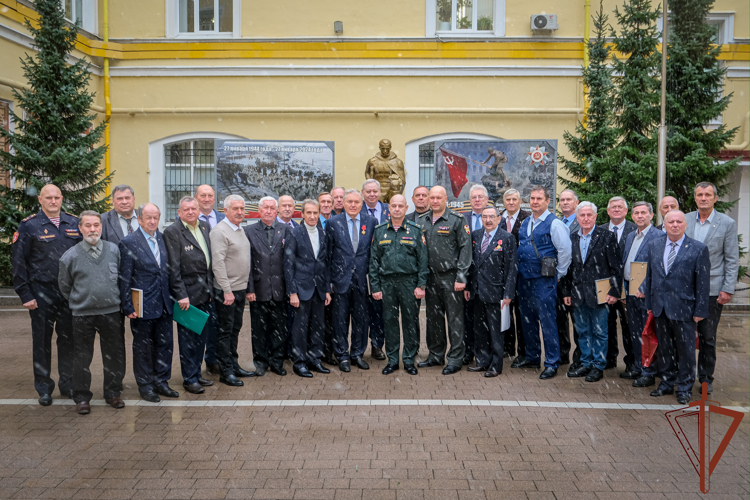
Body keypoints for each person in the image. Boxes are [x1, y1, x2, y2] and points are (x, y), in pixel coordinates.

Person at [12, 184, 80, 406]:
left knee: (68, 340)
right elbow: (19, 262)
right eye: (48, 197)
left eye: (57, 197)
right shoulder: (29, 226)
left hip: (68, 293)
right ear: (40, 200)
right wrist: (25, 294)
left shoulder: (73, 223)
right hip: (41, 293)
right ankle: (44, 388)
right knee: (41, 342)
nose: (53, 201)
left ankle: (67, 384)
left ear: (62, 199)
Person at [638, 210, 710, 405]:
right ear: (665, 224)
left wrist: (700, 311)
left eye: (679, 221)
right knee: (665, 348)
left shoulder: (698, 248)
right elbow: (651, 277)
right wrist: (650, 305)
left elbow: (702, 284)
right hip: (660, 307)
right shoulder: (655, 245)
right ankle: (666, 383)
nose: (675, 225)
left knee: (686, 350)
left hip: (684, 309)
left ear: (686, 225)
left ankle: (685, 387)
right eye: (671, 222)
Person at [58, 211, 126, 415]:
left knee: (114, 354)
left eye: (96, 225)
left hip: (111, 312)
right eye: (87, 225)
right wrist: (82, 301)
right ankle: (81, 397)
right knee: (82, 357)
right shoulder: (70, 256)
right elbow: (64, 286)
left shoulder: (114, 250)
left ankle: (113, 392)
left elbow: (121, 279)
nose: (92, 229)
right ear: (80, 228)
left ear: (101, 227)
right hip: (82, 314)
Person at [513, 185, 571, 380]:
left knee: (548, 322)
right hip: (525, 279)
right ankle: (532, 356)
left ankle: (552, 362)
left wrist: (559, 274)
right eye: (532, 198)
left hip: (544, 280)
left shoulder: (554, 224)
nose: (535, 201)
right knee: (527, 320)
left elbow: (565, 251)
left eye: (539, 198)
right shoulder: (525, 222)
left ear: (548, 201)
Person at [119, 203, 176, 402]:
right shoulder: (129, 242)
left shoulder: (162, 238)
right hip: (142, 305)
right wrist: (127, 305)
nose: (152, 221)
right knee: (143, 348)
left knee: (165, 344)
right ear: (140, 219)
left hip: (164, 304)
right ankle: (145, 386)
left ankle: (161, 382)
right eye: (148, 218)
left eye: (156, 218)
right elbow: (125, 277)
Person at [685, 182, 739, 394]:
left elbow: (732, 259)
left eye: (708, 195)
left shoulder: (726, 223)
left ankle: (706, 378)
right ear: (695, 198)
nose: (703, 198)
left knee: (707, 337)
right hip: (686, 289)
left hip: (712, 289)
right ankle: (685, 376)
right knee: (685, 336)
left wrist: (728, 288)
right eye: (700, 194)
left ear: (715, 198)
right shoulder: (685, 220)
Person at [561, 202, 622, 383]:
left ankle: (598, 365)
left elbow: (616, 267)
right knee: (582, 331)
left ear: (595, 217)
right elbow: (567, 268)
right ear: (577, 217)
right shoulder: (571, 238)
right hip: (578, 293)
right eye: (582, 215)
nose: (586, 218)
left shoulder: (607, 237)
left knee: (600, 331)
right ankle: (585, 362)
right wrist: (566, 292)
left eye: (589, 215)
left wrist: (614, 291)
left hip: (600, 293)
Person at [369, 194, 428, 375]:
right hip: (387, 283)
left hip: (409, 283)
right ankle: (393, 360)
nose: (396, 209)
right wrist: (375, 287)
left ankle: (409, 359)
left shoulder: (416, 231)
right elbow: (374, 262)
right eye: (393, 206)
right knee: (390, 322)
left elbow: (423, 260)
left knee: (410, 322)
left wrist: (421, 285)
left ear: (405, 207)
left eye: (400, 206)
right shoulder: (379, 231)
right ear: (388, 209)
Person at [417, 186, 472, 375]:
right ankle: (435, 354)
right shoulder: (422, 220)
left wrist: (461, 277)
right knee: (433, 319)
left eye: (438, 197)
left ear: (445, 199)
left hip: (451, 277)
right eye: (432, 197)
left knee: (455, 320)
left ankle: (455, 358)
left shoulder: (456, 220)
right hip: (430, 278)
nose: (434, 201)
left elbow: (465, 249)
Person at [163, 196, 215, 394]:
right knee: (187, 339)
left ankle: (197, 373)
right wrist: (180, 294)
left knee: (201, 336)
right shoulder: (173, 231)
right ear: (179, 212)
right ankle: (189, 378)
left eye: (194, 208)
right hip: (187, 294)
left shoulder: (204, 227)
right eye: (186, 210)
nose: (191, 212)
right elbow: (173, 267)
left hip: (205, 291)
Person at [327, 189, 378, 371]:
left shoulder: (371, 221)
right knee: (340, 320)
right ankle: (342, 355)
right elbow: (328, 254)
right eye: (350, 202)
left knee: (361, 320)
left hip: (362, 280)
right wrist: (329, 282)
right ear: (343, 203)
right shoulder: (333, 223)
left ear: (361, 203)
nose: (353, 205)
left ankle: (357, 353)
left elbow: (374, 253)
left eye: (357, 202)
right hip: (340, 279)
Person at [464, 206, 517, 377]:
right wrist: (468, 287)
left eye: (491, 217)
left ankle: (496, 364)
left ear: (498, 219)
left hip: (496, 292)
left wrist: (508, 293)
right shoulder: (476, 235)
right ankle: (482, 360)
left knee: (496, 331)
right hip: (477, 291)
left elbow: (511, 269)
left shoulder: (507, 238)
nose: (488, 220)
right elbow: (471, 265)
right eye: (485, 216)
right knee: (480, 329)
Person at [284, 200, 332, 378]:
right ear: (302, 214)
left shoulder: (322, 233)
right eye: (309, 213)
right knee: (300, 328)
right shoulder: (295, 233)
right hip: (301, 289)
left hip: (319, 289)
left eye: (315, 213)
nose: (312, 216)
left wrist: (327, 289)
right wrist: (292, 292)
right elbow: (288, 265)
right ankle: (300, 363)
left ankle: (315, 359)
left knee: (318, 327)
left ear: (319, 214)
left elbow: (324, 264)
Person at [210, 194, 255, 387]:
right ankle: (225, 371)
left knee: (235, 329)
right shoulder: (220, 231)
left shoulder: (240, 229)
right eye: (235, 209)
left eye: (242, 209)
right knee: (225, 332)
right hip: (226, 291)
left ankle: (234, 365)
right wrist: (227, 290)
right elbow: (218, 264)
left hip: (239, 289)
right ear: (225, 211)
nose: (239, 212)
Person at [245, 196, 292, 377]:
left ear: (277, 211)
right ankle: (261, 362)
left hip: (280, 289)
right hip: (258, 289)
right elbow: (247, 263)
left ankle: (277, 361)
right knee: (259, 329)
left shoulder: (286, 230)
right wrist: (249, 289)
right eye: (266, 208)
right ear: (259, 210)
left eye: (273, 208)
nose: (269, 211)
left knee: (279, 328)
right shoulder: (248, 231)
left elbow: (289, 261)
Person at [621, 201, 664, 387]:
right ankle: (639, 367)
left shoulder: (659, 236)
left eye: (643, 213)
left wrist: (645, 287)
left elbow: (659, 267)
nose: (640, 216)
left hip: (646, 293)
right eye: (636, 213)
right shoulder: (631, 236)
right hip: (630, 291)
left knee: (648, 334)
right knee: (635, 332)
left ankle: (649, 371)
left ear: (651, 215)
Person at [194, 184, 224, 375]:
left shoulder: (222, 219)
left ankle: (212, 359)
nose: (206, 199)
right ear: (196, 198)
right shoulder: (189, 218)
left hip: (220, 280)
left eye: (210, 196)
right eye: (203, 195)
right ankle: (193, 366)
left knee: (217, 323)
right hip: (197, 283)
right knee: (197, 326)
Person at [461, 185, 491, 366]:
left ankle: (486, 352)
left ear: (487, 200)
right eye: (474, 197)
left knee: (487, 319)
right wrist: (464, 281)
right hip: (468, 275)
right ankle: (468, 351)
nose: (477, 200)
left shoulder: (495, 219)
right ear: (470, 200)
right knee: (468, 317)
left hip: (489, 278)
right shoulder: (462, 219)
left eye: (481, 197)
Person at [605, 196, 637, 370]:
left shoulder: (634, 231)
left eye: (620, 207)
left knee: (628, 325)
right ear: (608, 211)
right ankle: (610, 358)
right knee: (607, 323)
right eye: (613, 207)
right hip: (606, 285)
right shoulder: (601, 230)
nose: (616, 210)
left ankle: (631, 361)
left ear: (626, 211)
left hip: (627, 285)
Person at [361, 179, 391, 360]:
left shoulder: (390, 210)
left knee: (381, 310)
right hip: (363, 268)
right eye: (368, 191)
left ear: (379, 193)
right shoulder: (357, 209)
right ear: (363, 193)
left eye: (375, 191)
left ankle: (377, 345)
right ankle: (359, 346)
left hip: (386, 269)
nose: (372, 194)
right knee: (363, 310)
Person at [500, 189, 530, 363]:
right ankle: (507, 348)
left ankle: (523, 351)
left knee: (522, 313)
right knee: (506, 312)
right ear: (504, 202)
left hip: (523, 273)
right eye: (508, 199)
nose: (511, 202)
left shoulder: (528, 218)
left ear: (520, 201)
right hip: (503, 274)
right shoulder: (498, 218)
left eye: (514, 199)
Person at [557, 188, 580, 367]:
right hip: (559, 281)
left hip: (577, 281)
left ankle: (579, 359)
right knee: (560, 321)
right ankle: (562, 355)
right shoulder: (557, 223)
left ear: (576, 203)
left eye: (568, 200)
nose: (565, 202)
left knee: (578, 323)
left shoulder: (583, 223)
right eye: (562, 200)